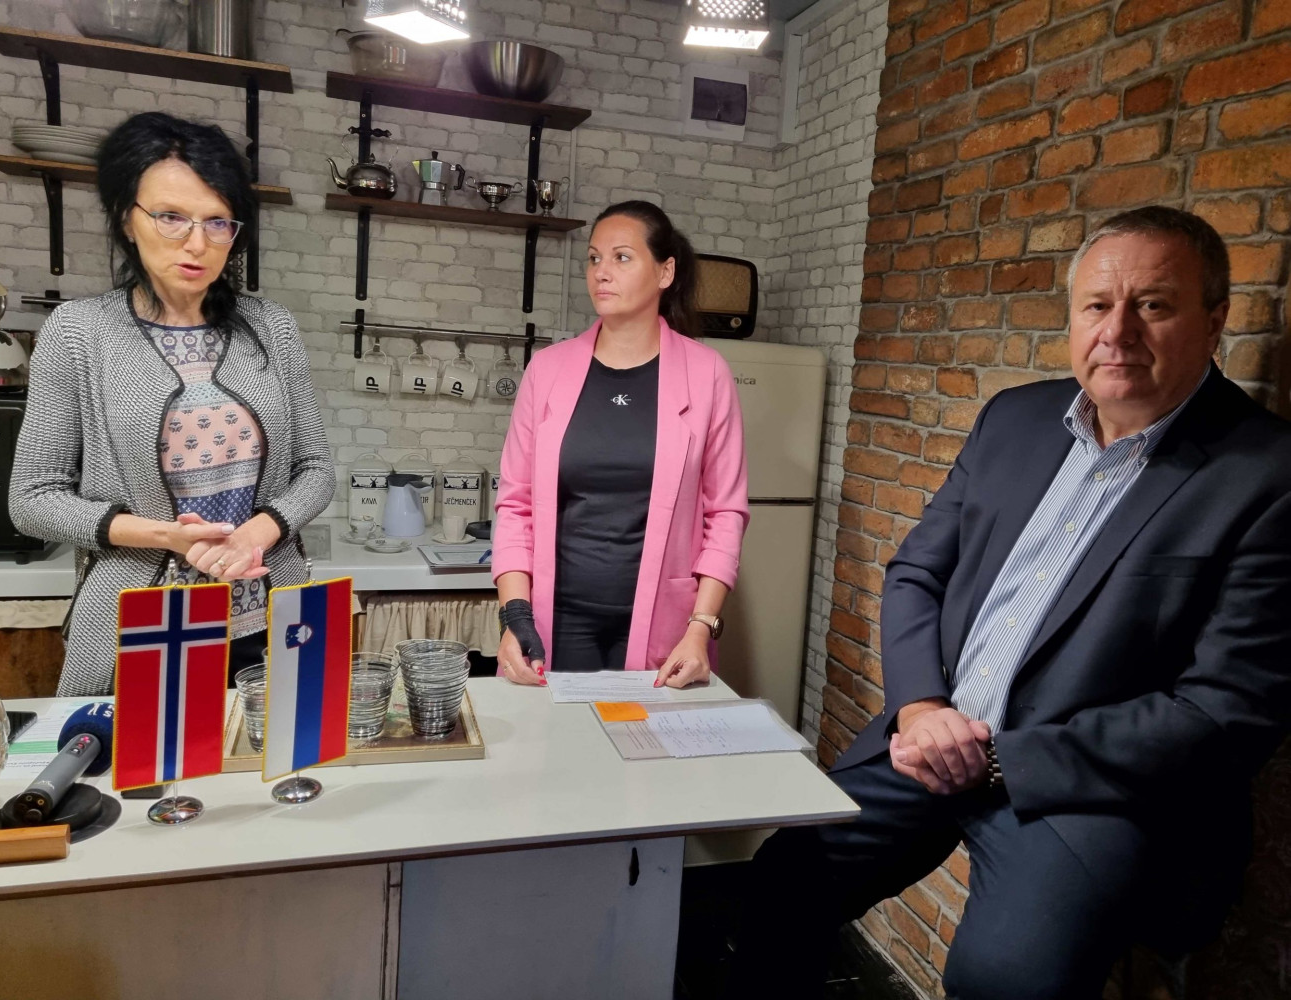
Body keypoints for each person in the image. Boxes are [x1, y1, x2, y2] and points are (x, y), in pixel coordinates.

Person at [732, 206, 1291, 999]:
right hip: (936, 737)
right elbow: (915, 573)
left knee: (1007, 979)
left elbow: (1225, 712)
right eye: (1096, 305)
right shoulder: (1015, 418)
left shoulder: (1264, 474)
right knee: (783, 879)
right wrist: (922, 709)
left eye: (1153, 305)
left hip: (1083, 787)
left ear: (1214, 321)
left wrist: (1001, 758)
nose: (1117, 331)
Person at [10, 112, 335, 696]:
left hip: (270, 617)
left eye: (218, 222)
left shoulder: (272, 328)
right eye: (171, 217)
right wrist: (169, 537)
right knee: (139, 781)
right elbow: (32, 501)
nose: (196, 243)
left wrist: (253, 535)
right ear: (125, 219)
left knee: (276, 773)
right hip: (140, 626)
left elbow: (316, 471)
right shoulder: (80, 332)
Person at [492, 201, 748, 686]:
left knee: (650, 756)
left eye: (621, 258)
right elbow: (515, 504)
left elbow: (726, 513)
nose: (601, 273)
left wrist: (701, 629)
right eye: (593, 258)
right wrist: (515, 617)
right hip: (555, 621)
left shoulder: (707, 373)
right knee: (558, 754)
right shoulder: (546, 371)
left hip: (667, 628)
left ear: (665, 271)